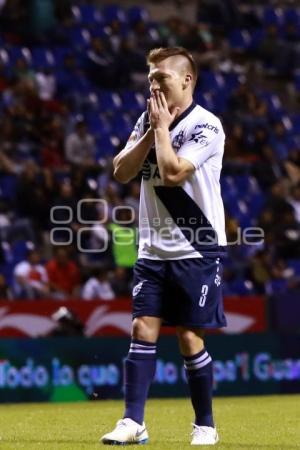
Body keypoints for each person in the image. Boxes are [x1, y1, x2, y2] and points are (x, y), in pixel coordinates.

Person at [101, 47, 227, 446]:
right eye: (151, 79)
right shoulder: (146, 120)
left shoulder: (207, 126)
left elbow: (173, 172)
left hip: (198, 246)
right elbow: (121, 171)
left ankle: (205, 425)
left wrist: (161, 131)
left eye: (162, 79)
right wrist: (152, 130)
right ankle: (132, 422)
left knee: (189, 338)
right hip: (153, 249)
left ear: (187, 80)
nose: (153, 86)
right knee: (142, 328)